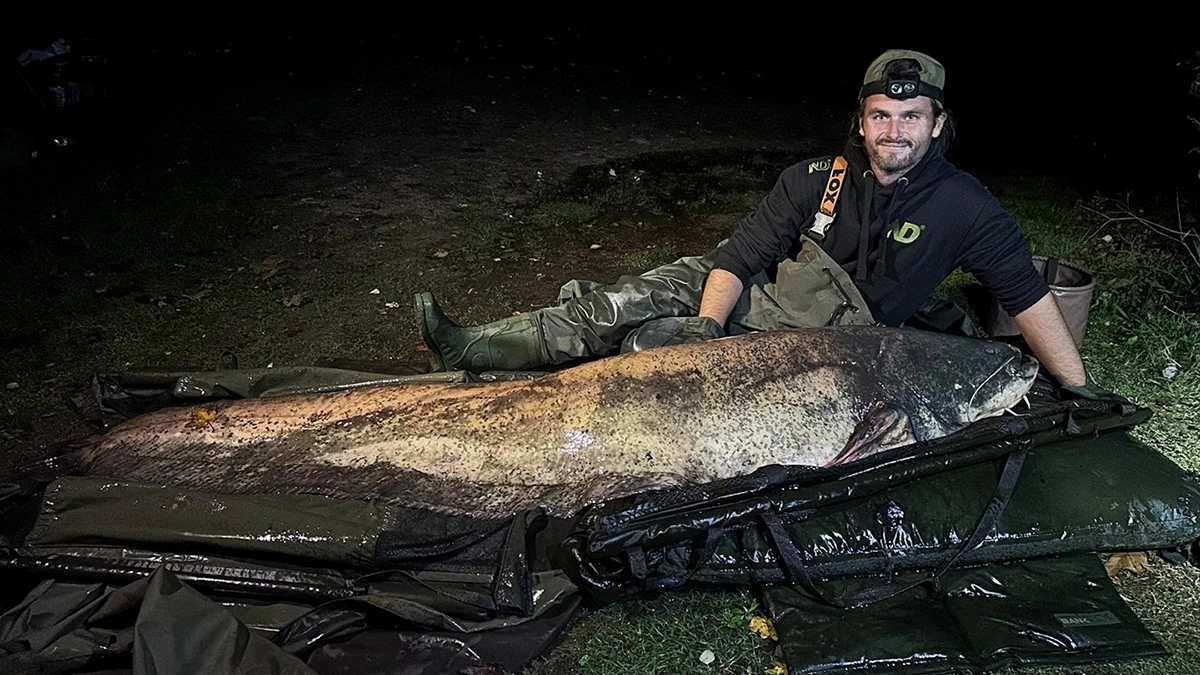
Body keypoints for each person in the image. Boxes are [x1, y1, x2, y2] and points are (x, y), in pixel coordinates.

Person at [416, 49, 1090, 390]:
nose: (894, 131)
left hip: (821, 343)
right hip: (753, 300)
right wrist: (706, 330)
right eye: (880, 115)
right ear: (861, 121)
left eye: (910, 117)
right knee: (627, 301)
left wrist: (1078, 386)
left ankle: (557, 368)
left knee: (643, 352)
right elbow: (737, 258)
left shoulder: (966, 205)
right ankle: (472, 348)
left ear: (937, 124)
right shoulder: (814, 177)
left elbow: (1026, 296)